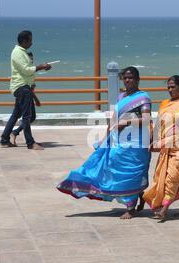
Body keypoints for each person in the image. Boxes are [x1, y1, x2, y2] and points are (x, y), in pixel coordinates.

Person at [57, 67, 152, 220]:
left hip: (135, 143)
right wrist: (104, 137)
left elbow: (147, 120)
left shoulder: (143, 98)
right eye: (125, 78)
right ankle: (138, 194)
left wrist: (127, 122)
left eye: (131, 78)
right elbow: (113, 119)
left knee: (130, 172)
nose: (128, 80)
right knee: (110, 167)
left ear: (138, 80)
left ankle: (131, 207)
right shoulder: (121, 97)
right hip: (118, 141)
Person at [138, 75, 179, 220]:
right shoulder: (164, 104)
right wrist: (154, 141)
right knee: (175, 175)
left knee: (172, 176)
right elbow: (159, 125)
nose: (170, 90)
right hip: (167, 145)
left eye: (173, 86)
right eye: (168, 87)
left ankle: (164, 208)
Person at [0, 31, 51, 150]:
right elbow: (26, 70)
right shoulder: (18, 53)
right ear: (24, 41)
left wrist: (40, 69)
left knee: (16, 115)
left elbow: (28, 70)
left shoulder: (22, 53)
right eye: (30, 40)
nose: (31, 42)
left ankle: (4, 139)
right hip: (21, 87)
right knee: (27, 116)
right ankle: (30, 142)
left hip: (24, 86)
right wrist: (41, 66)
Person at [10, 52, 41, 146]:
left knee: (17, 115)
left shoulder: (29, 70)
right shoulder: (26, 70)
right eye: (29, 59)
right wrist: (36, 100)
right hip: (24, 94)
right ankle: (26, 139)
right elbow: (29, 88)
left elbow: (31, 88)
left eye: (32, 59)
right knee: (28, 117)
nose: (31, 61)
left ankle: (9, 135)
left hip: (25, 94)